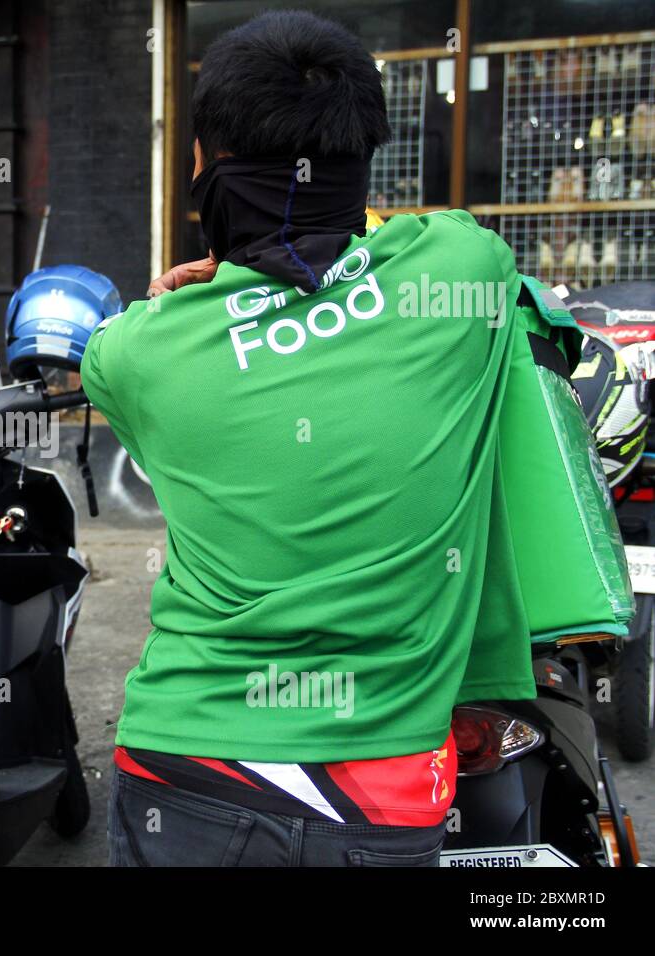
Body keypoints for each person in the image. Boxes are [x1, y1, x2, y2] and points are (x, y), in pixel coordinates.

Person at [83, 10, 537, 866]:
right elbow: (391, 227)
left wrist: (218, 281)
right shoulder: (465, 272)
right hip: (378, 792)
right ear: (362, 155)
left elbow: (164, 333)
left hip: (182, 766)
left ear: (203, 167)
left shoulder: (133, 352)